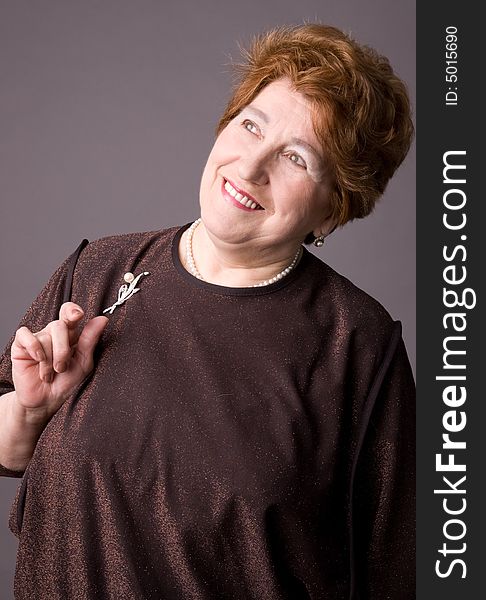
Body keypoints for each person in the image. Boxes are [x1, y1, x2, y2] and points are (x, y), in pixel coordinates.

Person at [0, 23, 415, 600]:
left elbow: (392, 574)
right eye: (251, 125)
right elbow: (6, 450)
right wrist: (28, 411)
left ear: (334, 207)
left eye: (296, 157)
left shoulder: (357, 347)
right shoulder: (97, 272)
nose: (249, 168)